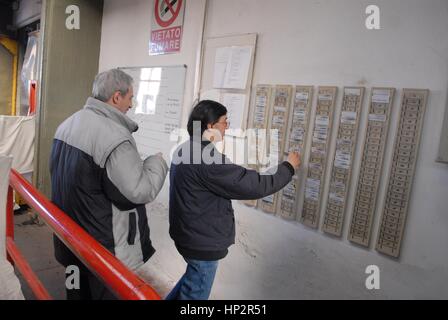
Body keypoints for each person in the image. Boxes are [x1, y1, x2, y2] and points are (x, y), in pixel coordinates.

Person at [49, 68, 168, 300]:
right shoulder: (115, 138)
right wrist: (157, 162)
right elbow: (139, 190)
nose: (131, 104)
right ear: (116, 97)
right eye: (130, 97)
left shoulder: (67, 124)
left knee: (75, 289)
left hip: (69, 238)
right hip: (101, 249)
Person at [166, 100, 301, 300]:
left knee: (191, 283)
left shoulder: (186, 148)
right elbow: (252, 185)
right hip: (202, 243)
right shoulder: (206, 158)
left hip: (189, 236)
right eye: (224, 121)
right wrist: (288, 168)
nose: (227, 126)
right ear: (210, 126)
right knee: (195, 294)